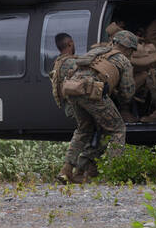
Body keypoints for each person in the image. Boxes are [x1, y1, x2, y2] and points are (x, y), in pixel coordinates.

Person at [58, 30, 137, 183]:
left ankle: (66, 171)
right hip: (92, 92)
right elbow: (127, 93)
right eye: (132, 51)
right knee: (118, 129)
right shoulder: (123, 60)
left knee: (83, 130)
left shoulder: (97, 51)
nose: (131, 54)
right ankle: (114, 172)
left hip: (72, 89)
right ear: (128, 48)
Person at [105, 21, 156, 123]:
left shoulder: (138, 47)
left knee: (150, 74)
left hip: (128, 82)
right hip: (109, 87)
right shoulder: (110, 50)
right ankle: (124, 111)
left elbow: (154, 60)